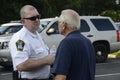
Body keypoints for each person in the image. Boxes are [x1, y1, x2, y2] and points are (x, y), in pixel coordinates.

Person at [9, 5, 54, 80]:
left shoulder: (37, 35)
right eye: (33, 18)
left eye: (38, 17)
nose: (37, 20)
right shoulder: (20, 39)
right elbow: (21, 65)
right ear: (23, 22)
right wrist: (46, 60)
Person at [52, 9, 96, 80]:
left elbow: (61, 77)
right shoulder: (87, 42)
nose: (58, 25)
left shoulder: (66, 43)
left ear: (64, 24)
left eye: (58, 22)